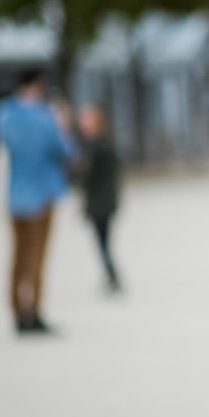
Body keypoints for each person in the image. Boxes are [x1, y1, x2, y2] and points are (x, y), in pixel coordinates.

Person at [0, 68, 75, 335]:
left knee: (17, 255)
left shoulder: (3, 113)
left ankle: (16, 310)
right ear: (38, 85)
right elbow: (65, 150)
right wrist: (63, 123)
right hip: (42, 194)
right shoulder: (44, 116)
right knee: (37, 256)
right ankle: (34, 311)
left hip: (14, 195)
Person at [76, 104, 122, 292]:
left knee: (103, 242)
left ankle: (112, 275)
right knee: (103, 242)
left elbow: (87, 177)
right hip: (101, 202)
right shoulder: (96, 145)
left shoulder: (99, 147)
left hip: (101, 203)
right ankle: (110, 275)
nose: (83, 123)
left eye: (87, 119)